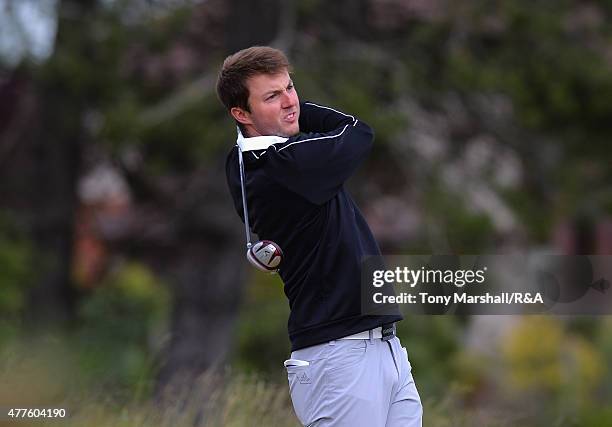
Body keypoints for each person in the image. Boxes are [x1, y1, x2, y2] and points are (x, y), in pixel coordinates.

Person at [217, 46, 422, 427]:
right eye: (272, 96)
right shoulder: (285, 166)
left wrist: (284, 109)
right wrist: (299, 111)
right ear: (241, 114)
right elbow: (358, 132)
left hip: (380, 347)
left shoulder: (251, 160)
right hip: (340, 358)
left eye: (290, 88)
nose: (289, 101)